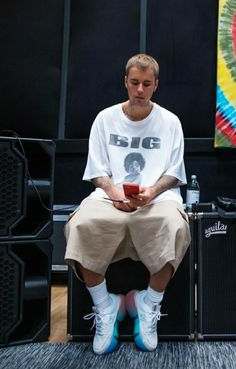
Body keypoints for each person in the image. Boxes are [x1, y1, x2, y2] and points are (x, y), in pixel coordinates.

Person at [64, 53, 191, 355]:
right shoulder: (105, 118)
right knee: (79, 225)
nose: (139, 90)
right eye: (134, 82)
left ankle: (149, 302)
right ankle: (104, 305)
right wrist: (115, 193)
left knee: (176, 226)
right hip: (110, 199)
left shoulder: (170, 121)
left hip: (156, 200)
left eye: (146, 84)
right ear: (125, 81)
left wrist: (151, 192)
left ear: (155, 85)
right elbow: (96, 171)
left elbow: (173, 173)